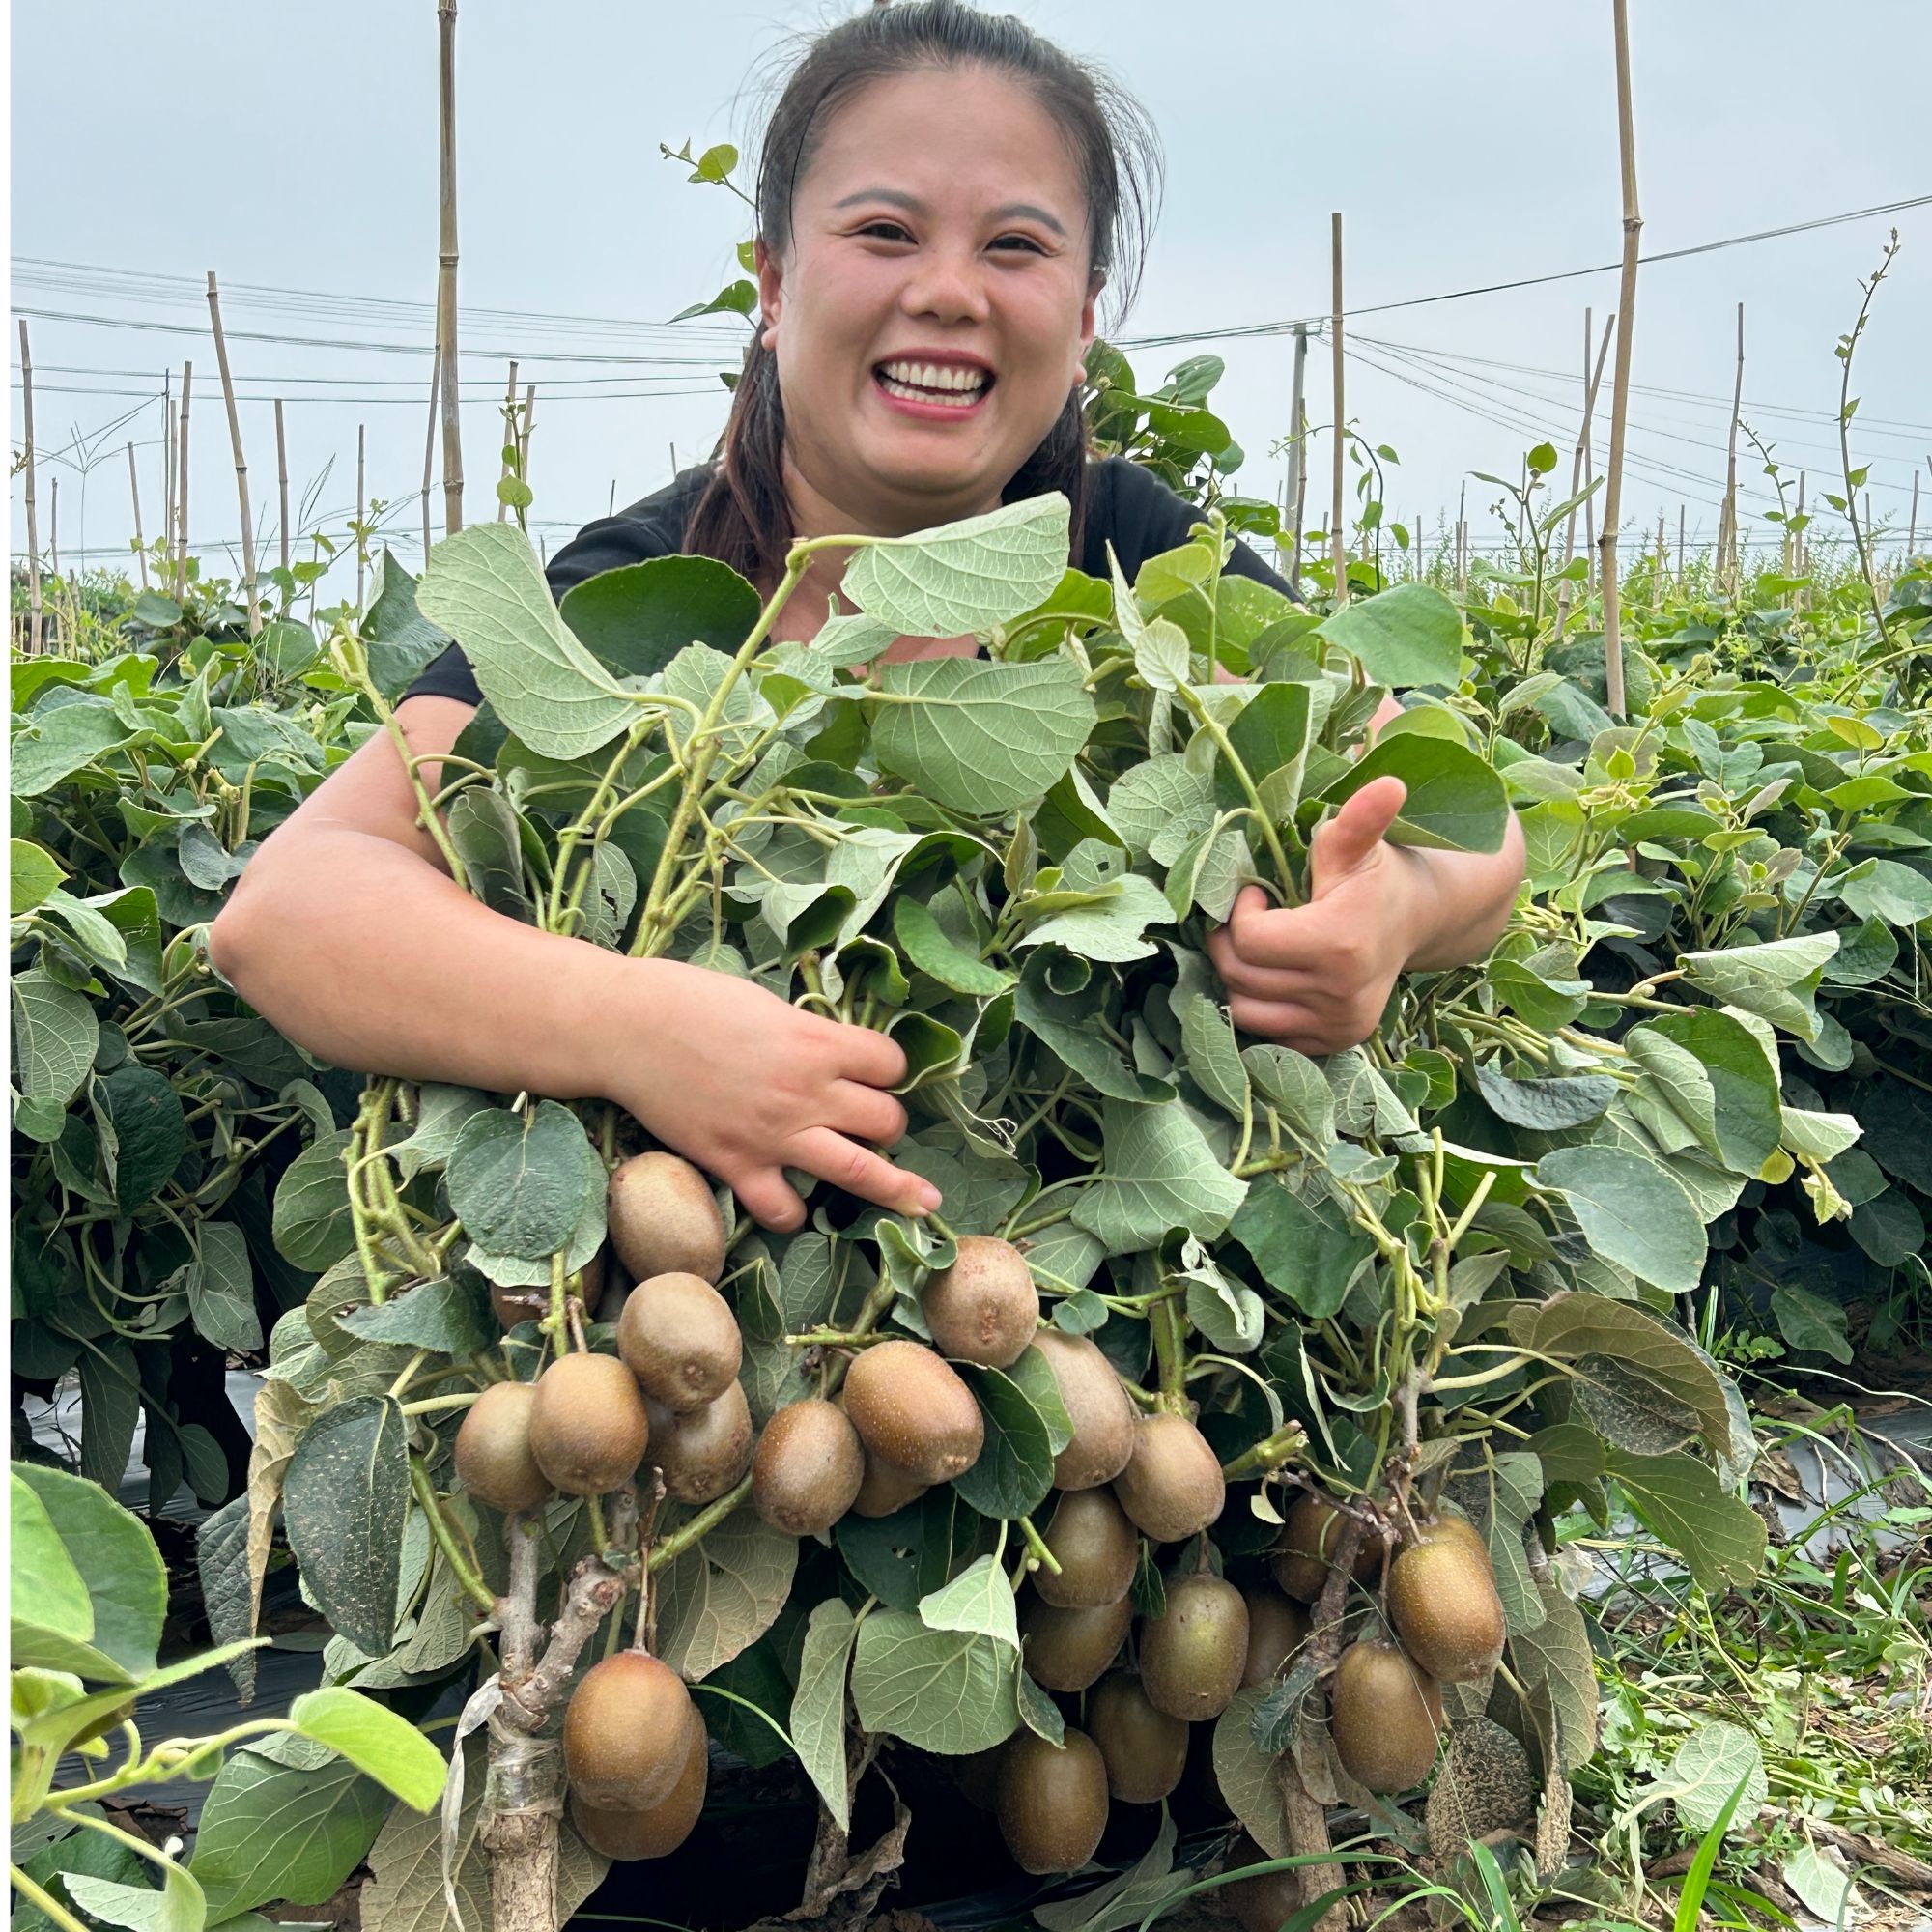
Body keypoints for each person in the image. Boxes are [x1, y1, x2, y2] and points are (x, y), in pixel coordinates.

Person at [212, 0, 1523, 1236]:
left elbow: (1481, 841)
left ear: (1080, 320)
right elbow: (290, 912)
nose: (950, 291)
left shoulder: (1142, 557)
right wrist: (637, 1029)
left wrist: (1395, 915)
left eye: (1014, 246)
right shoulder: (652, 583)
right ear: (774, 284)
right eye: (886, 233)